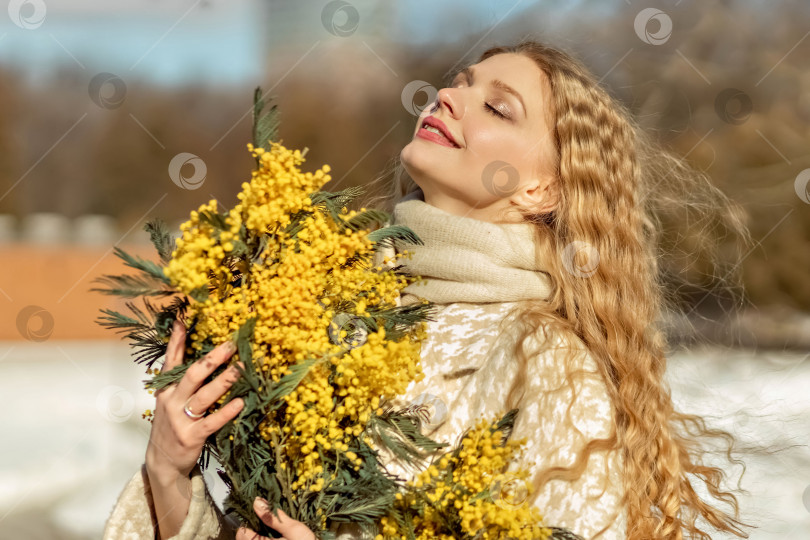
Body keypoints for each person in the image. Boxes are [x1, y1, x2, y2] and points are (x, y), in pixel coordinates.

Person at [104, 39, 754, 540]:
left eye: (497, 106)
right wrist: (169, 471)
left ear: (543, 189)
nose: (448, 96)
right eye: (459, 82)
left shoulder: (542, 361)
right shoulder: (328, 312)